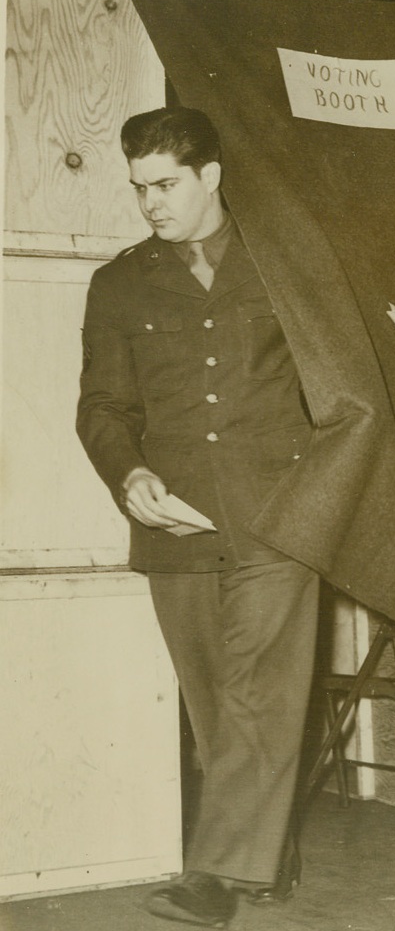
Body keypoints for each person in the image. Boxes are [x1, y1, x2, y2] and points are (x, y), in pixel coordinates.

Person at [76, 107, 316, 928]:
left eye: (166, 184)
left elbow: (340, 385)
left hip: (281, 516)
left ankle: (213, 876)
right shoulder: (119, 282)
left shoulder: (286, 261)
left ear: (211, 174)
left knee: (259, 692)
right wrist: (129, 472)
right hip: (175, 522)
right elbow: (102, 407)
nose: (150, 202)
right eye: (139, 187)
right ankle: (265, 855)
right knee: (216, 698)